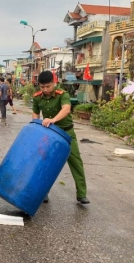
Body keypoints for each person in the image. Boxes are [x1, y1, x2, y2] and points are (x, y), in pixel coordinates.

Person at [32, 70, 89, 205]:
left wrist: (53, 119)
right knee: (45, 162)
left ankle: (81, 194)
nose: (45, 90)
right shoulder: (37, 97)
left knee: (75, 162)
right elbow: (35, 114)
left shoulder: (62, 95)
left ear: (54, 83)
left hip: (67, 134)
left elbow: (66, 109)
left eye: (48, 86)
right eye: (42, 87)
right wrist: (36, 127)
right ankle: (44, 192)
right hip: (50, 134)